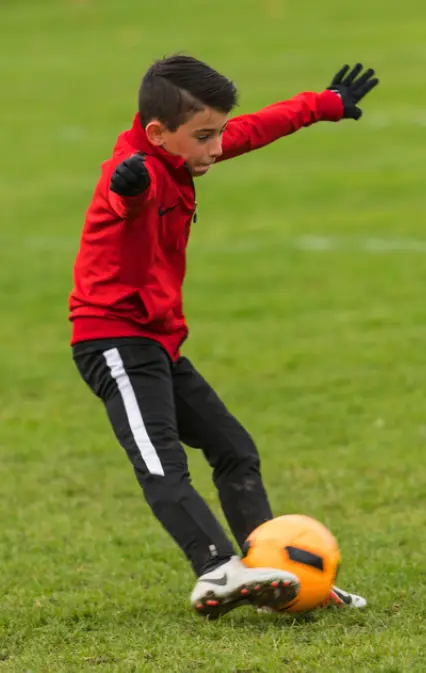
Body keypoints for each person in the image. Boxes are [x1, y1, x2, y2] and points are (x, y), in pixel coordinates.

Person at [68, 54, 378, 619]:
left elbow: (251, 128)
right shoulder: (135, 169)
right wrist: (130, 188)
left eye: (217, 133)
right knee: (162, 465)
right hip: (112, 342)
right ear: (160, 134)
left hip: (158, 342)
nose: (218, 147)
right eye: (206, 136)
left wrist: (324, 105)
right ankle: (216, 570)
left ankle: (270, 570)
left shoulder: (181, 152)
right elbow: (125, 198)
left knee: (234, 450)